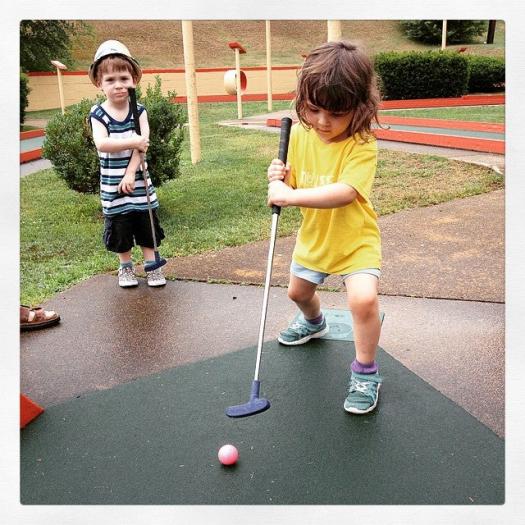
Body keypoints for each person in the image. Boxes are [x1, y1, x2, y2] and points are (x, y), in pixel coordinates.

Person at [267, 41, 383, 414]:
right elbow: (292, 183)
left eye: (335, 113)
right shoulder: (300, 136)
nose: (321, 121)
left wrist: (290, 196)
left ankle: (365, 372)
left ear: (359, 108)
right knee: (298, 293)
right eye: (313, 109)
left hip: (355, 241)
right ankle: (314, 323)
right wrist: (279, 178)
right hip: (315, 238)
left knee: (363, 301)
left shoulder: (362, 144)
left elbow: (346, 192)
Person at [88, 40, 166, 288]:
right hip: (113, 185)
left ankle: (152, 266)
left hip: (139, 181)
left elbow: (142, 146)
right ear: (99, 83)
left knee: (145, 223)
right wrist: (132, 140)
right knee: (120, 227)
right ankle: (126, 268)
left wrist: (131, 173)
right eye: (110, 80)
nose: (118, 85)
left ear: (134, 80)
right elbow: (102, 143)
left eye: (124, 78)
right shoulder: (98, 114)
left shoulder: (139, 111)